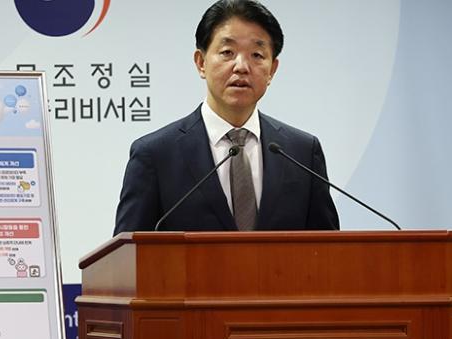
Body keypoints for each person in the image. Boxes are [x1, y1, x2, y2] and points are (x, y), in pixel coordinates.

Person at [114, 0, 339, 234]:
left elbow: (329, 249)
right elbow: (128, 251)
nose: (241, 66)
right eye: (227, 53)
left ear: (272, 70)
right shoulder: (156, 155)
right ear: (201, 63)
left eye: (257, 55)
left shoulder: (302, 153)